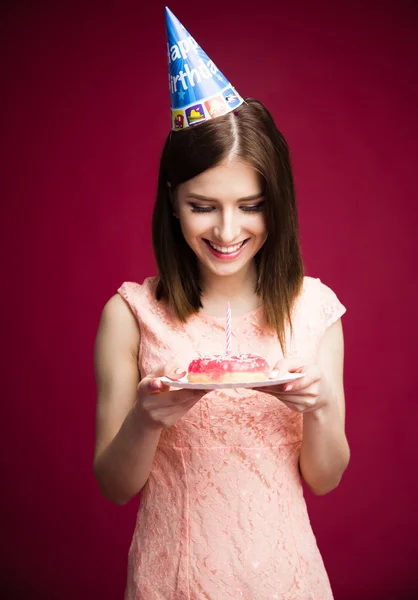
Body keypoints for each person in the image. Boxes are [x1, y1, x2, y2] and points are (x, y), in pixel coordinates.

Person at [93, 9, 350, 600]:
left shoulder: (315, 310)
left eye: (251, 205)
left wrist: (317, 406)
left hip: (291, 581)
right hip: (173, 582)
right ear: (173, 201)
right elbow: (114, 486)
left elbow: (326, 477)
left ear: (276, 204)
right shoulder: (131, 314)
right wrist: (147, 416)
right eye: (203, 206)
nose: (228, 230)